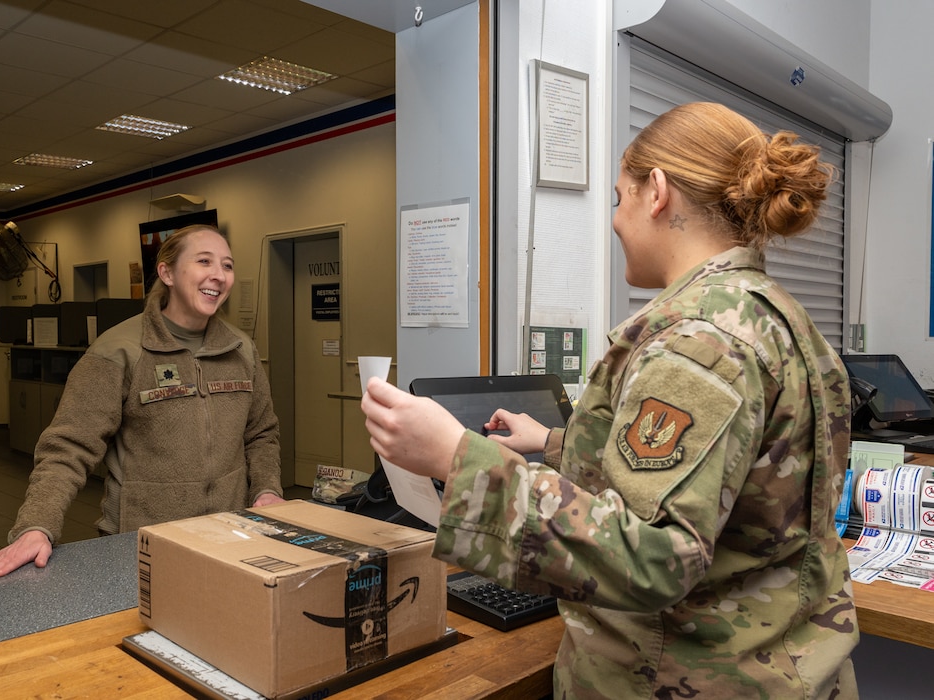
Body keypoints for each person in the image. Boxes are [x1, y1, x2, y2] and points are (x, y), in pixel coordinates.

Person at [361, 102, 857, 698]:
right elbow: (737, 476)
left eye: (619, 198)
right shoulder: (781, 318)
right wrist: (549, 441)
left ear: (658, 192)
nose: (616, 221)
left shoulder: (698, 343)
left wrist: (454, 457)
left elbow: (655, 556)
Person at [0, 224, 283, 578]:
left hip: (229, 538)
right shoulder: (119, 350)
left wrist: (267, 490)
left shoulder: (241, 349)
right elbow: (68, 447)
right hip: (142, 545)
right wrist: (36, 526)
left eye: (227, 265)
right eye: (204, 261)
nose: (219, 275)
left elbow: (261, 434)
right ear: (166, 272)